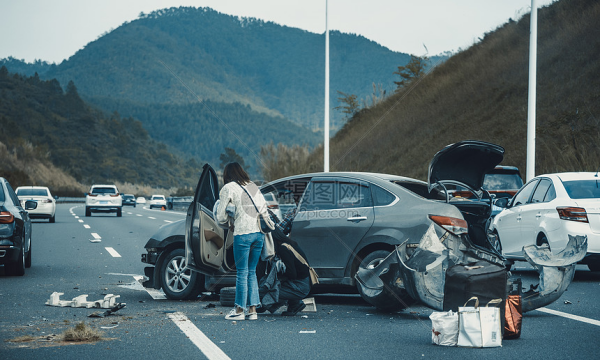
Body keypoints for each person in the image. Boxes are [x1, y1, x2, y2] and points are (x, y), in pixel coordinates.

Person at [216, 162, 268, 321]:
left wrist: (231, 220)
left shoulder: (228, 188)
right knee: (252, 272)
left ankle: (239, 310)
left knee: (242, 273)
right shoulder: (252, 186)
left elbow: (220, 216)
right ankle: (252, 310)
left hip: (243, 234)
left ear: (227, 175)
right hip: (259, 234)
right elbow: (264, 209)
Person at [258, 227, 312, 316]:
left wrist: (277, 277)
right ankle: (294, 304)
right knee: (273, 284)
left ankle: (294, 302)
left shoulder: (283, 249)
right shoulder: (289, 244)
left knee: (266, 291)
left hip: (301, 286)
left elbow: (292, 274)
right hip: (304, 282)